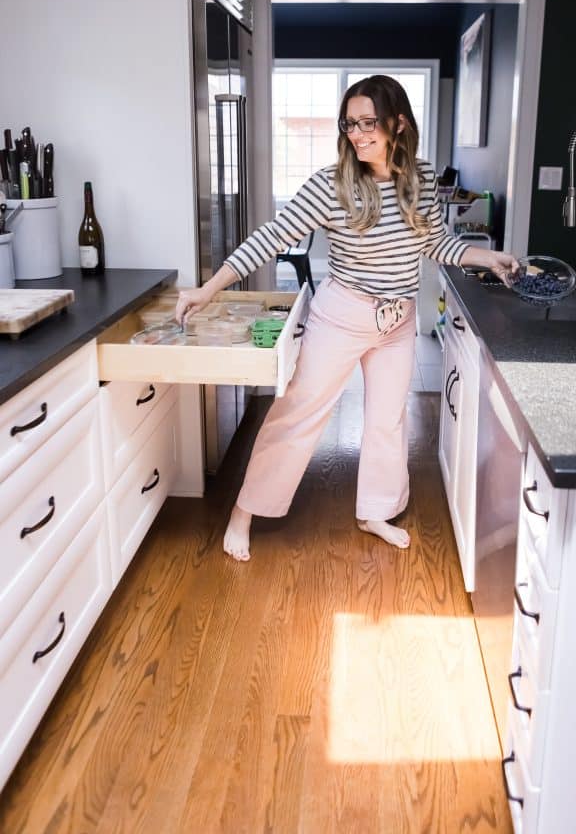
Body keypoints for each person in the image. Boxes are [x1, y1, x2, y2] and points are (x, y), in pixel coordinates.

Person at [175, 75, 519, 562]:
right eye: (349, 124)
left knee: (386, 419)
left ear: (398, 123)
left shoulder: (420, 179)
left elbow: (436, 243)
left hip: (397, 321)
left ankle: (374, 510)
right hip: (341, 316)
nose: (356, 134)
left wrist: (489, 258)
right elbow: (270, 238)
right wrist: (208, 289)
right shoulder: (331, 186)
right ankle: (244, 511)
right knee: (297, 414)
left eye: (367, 123)